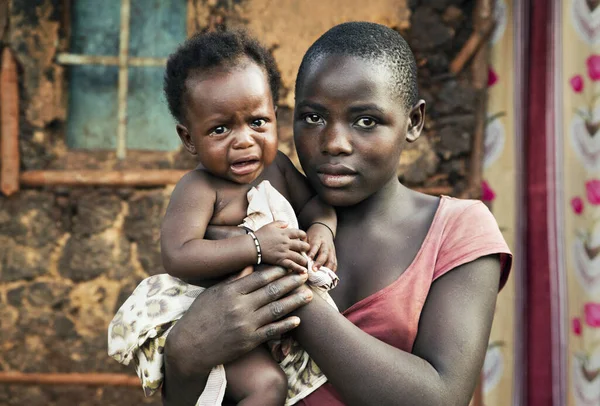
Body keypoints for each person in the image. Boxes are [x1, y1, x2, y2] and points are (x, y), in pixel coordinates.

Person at [161, 21, 512, 406]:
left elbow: (441, 398)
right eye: (313, 118)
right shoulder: (259, 213)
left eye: (366, 121)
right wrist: (183, 356)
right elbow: (195, 387)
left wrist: (282, 281)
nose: (334, 143)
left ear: (412, 122)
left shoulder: (457, 231)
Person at [109, 30, 339, 406]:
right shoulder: (199, 188)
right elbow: (178, 255)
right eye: (220, 129)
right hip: (207, 314)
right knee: (267, 387)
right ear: (189, 138)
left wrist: (322, 229)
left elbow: (316, 205)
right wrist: (256, 246)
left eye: (258, 122)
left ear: (275, 116)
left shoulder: (278, 168)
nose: (244, 140)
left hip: (264, 313)